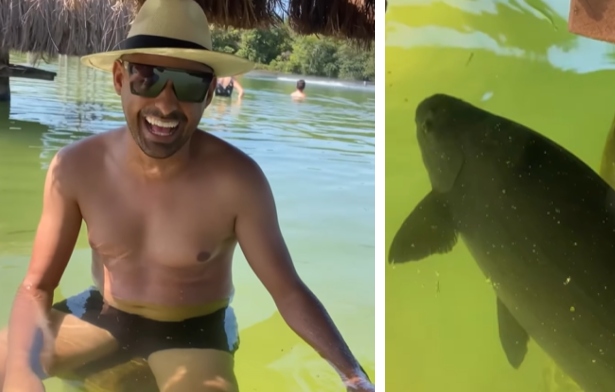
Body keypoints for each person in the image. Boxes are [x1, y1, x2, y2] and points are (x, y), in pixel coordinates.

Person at [0, 0, 374, 392]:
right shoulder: (76, 167)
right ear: (118, 78)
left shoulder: (238, 181)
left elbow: (288, 290)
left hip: (194, 331)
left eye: (190, 84)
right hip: (101, 313)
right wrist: (20, 372)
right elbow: (36, 286)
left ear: (210, 93)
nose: (165, 103)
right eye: (147, 77)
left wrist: (352, 374)